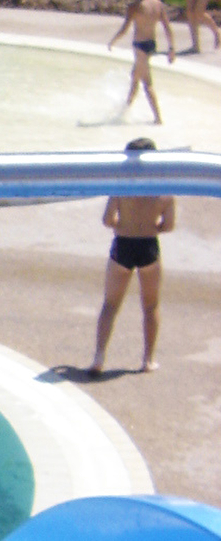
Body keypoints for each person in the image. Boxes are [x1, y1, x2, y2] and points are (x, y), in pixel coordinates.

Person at [89, 138, 176, 376]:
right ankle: (147, 360)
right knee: (150, 306)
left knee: (110, 305)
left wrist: (123, 225)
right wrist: (149, 228)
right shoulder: (164, 191)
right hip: (148, 246)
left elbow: (107, 220)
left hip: (123, 246)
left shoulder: (121, 187)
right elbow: (169, 226)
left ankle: (99, 356)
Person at [107, 0, 176, 124]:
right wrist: (171, 48)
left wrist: (113, 41)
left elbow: (125, 28)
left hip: (139, 47)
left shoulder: (134, 6)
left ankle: (158, 119)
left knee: (147, 83)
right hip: (151, 45)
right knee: (135, 78)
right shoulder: (158, 5)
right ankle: (124, 112)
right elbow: (167, 28)